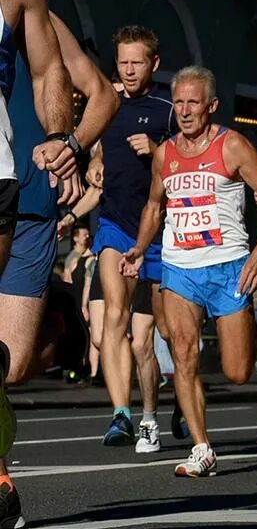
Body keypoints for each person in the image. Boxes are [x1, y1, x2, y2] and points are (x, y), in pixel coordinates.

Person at [121, 67, 257, 478]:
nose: (184, 110)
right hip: (180, 267)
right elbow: (155, 206)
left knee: (237, 370)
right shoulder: (165, 154)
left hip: (230, 266)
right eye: (178, 102)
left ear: (211, 106)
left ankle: (249, 329)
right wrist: (141, 248)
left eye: (193, 102)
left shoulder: (232, 146)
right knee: (181, 351)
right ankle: (201, 448)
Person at [0, 6, 113, 528]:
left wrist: (71, 146)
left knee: (13, 365)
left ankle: (59, 311)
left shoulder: (29, 14)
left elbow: (102, 95)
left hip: (29, 205)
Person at [89, 26, 175, 450]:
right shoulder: (105, 104)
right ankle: (121, 415)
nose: (127, 69)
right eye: (122, 61)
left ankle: (151, 414)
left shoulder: (168, 110)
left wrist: (158, 149)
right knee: (113, 318)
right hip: (115, 224)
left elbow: (192, 160)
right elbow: (98, 148)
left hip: (160, 232)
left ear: (153, 63)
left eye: (136, 61)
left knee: (147, 341)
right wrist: (94, 162)